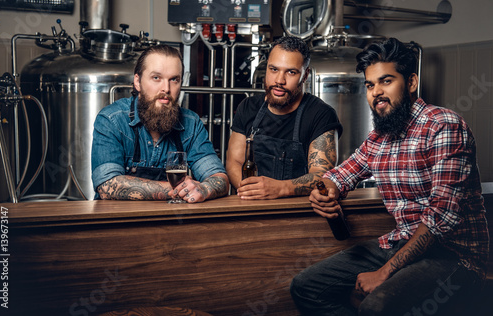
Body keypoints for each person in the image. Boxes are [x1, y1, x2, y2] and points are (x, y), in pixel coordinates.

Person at [290, 38, 489, 315]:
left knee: (376, 307)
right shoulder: (379, 139)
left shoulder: (444, 126)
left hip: (453, 257)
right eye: (370, 85)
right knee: (306, 286)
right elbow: (341, 174)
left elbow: (440, 218)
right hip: (400, 243)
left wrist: (384, 272)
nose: (376, 93)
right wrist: (326, 189)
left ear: (410, 83)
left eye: (386, 81)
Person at [91, 45, 229, 202]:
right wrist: (181, 190)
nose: (166, 89)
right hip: (118, 222)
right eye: (156, 78)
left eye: (174, 80)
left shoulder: (191, 124)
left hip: (172, 222)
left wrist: (204, 189)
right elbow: (107, 186)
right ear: (137, 81)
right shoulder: (111, 120)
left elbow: (219, 178)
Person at [226, 36, 342, 199]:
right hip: (251, 206)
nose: (279, 80)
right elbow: (234, 162)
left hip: (298, 213)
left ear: (305, 75)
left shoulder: (321, 115)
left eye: (291, 72)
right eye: (274, 69)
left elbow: (321, 175)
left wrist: (280, 189)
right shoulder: (248, 107)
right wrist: (252, 193)